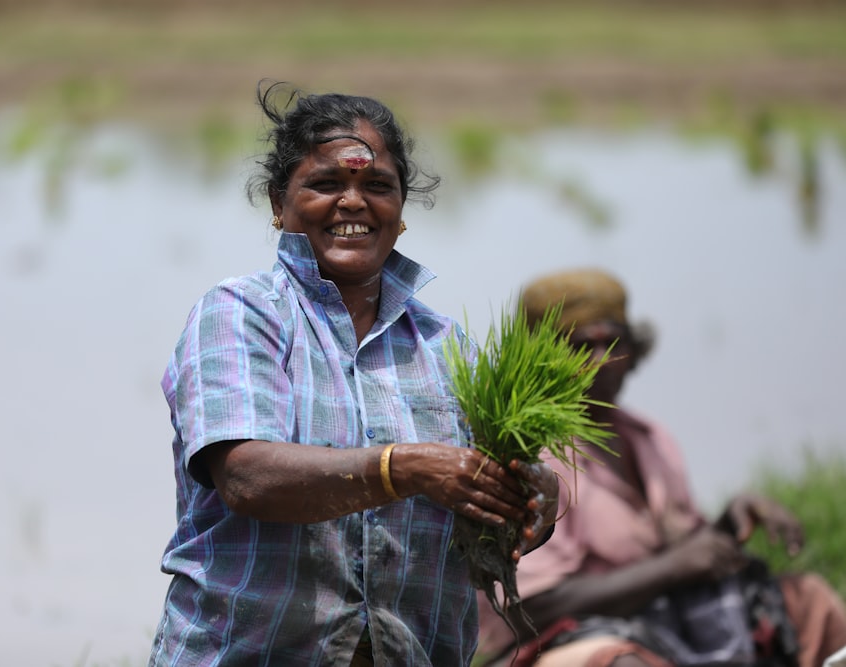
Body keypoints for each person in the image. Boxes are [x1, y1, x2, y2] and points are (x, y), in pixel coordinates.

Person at [146, 81, 559, 666]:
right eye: (326, 183)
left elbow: (486, 512)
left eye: (376, 186)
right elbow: (246, 478)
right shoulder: (241, 313)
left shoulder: (448, 347)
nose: (353, 203)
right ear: (278, 201)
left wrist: (532, 499)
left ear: (401, 208)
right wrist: (404, 466)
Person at [474, 268, 846, 667]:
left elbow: (685, 550)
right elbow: (532, 606)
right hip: (564, 642)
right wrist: (673, 568)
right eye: (581, 346)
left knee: (809, 601)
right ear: (542, 356)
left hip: (662, 617)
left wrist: (729, 523)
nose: (601, 362)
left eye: (613, 344)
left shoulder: (647, 438)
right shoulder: (531, 456)